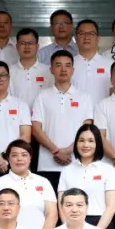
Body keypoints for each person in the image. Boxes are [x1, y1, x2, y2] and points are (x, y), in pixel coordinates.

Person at [32, 54, 94, 190]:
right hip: (47, 164)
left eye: (67, 65)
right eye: (58, 65)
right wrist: (56, 151)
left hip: (76, 162)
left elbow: (87, 128)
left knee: (76, 202)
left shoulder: (84, 97)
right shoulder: (42, 96)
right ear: (51, 70)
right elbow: (36, 128)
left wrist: (68, 150)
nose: (63, 69)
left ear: (73, 70)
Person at [0, 140, 58, 229]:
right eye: (14, 155)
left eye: (24, 155)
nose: (19, 159)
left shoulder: (43, 182)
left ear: (30, 158)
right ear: (8, 158)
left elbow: (52, 213)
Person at [57, 124, 115, 229]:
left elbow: (111, 206)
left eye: (91, 141)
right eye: (81, 140)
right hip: (72, 224)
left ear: (97, 144)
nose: (85, 145)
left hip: (101, 224)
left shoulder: (108, 170)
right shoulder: (67, 170)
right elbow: (61, 204)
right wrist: (68, 228)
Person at [10, 28, 54, 107]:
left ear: (37, 46)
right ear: (17, 46)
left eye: (30, 43)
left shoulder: (48, 71)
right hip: (17, 114)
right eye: (23, 43)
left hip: (42, 114)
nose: (27, 46)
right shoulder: (9, 72)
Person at [71, 19, 113, 102]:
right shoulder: (69, 64)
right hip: (75, 110)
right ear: (76, 38)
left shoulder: (110, 64)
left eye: (91, 33)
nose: (86, 37)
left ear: (98, 38)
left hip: (102, 110)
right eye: (82, 33)